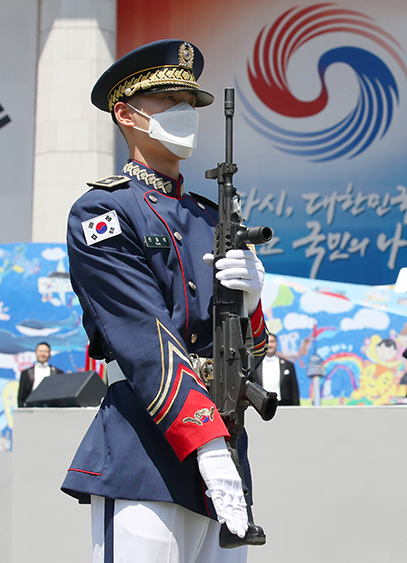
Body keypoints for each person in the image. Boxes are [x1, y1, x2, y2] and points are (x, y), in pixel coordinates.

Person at [60, 40, 270, 561]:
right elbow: (143, 337)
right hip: (148, 449)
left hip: (223, 440)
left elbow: (253, 350)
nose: (185, 114)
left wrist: (252, 303)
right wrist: (206, 440)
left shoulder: (207, 217)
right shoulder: (102, 213)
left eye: (189, 102)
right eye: (168, 100)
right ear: (126, 114)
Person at [252, 334, 299, 406]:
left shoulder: (288, 365)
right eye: (268, 342)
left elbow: (294, 390)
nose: (270, 345)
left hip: (283, 405)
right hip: (261, 405)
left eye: (272, 342)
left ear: (276, 343)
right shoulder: (255, 365)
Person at [17, 342, 64, 407]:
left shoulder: (57, 372)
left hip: (50, 408)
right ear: (36, 353)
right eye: (40, 351)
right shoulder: (27, 373)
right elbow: (21, 396)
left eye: (45, 351)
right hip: (31, 408)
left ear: (49, 354)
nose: (42, 354)